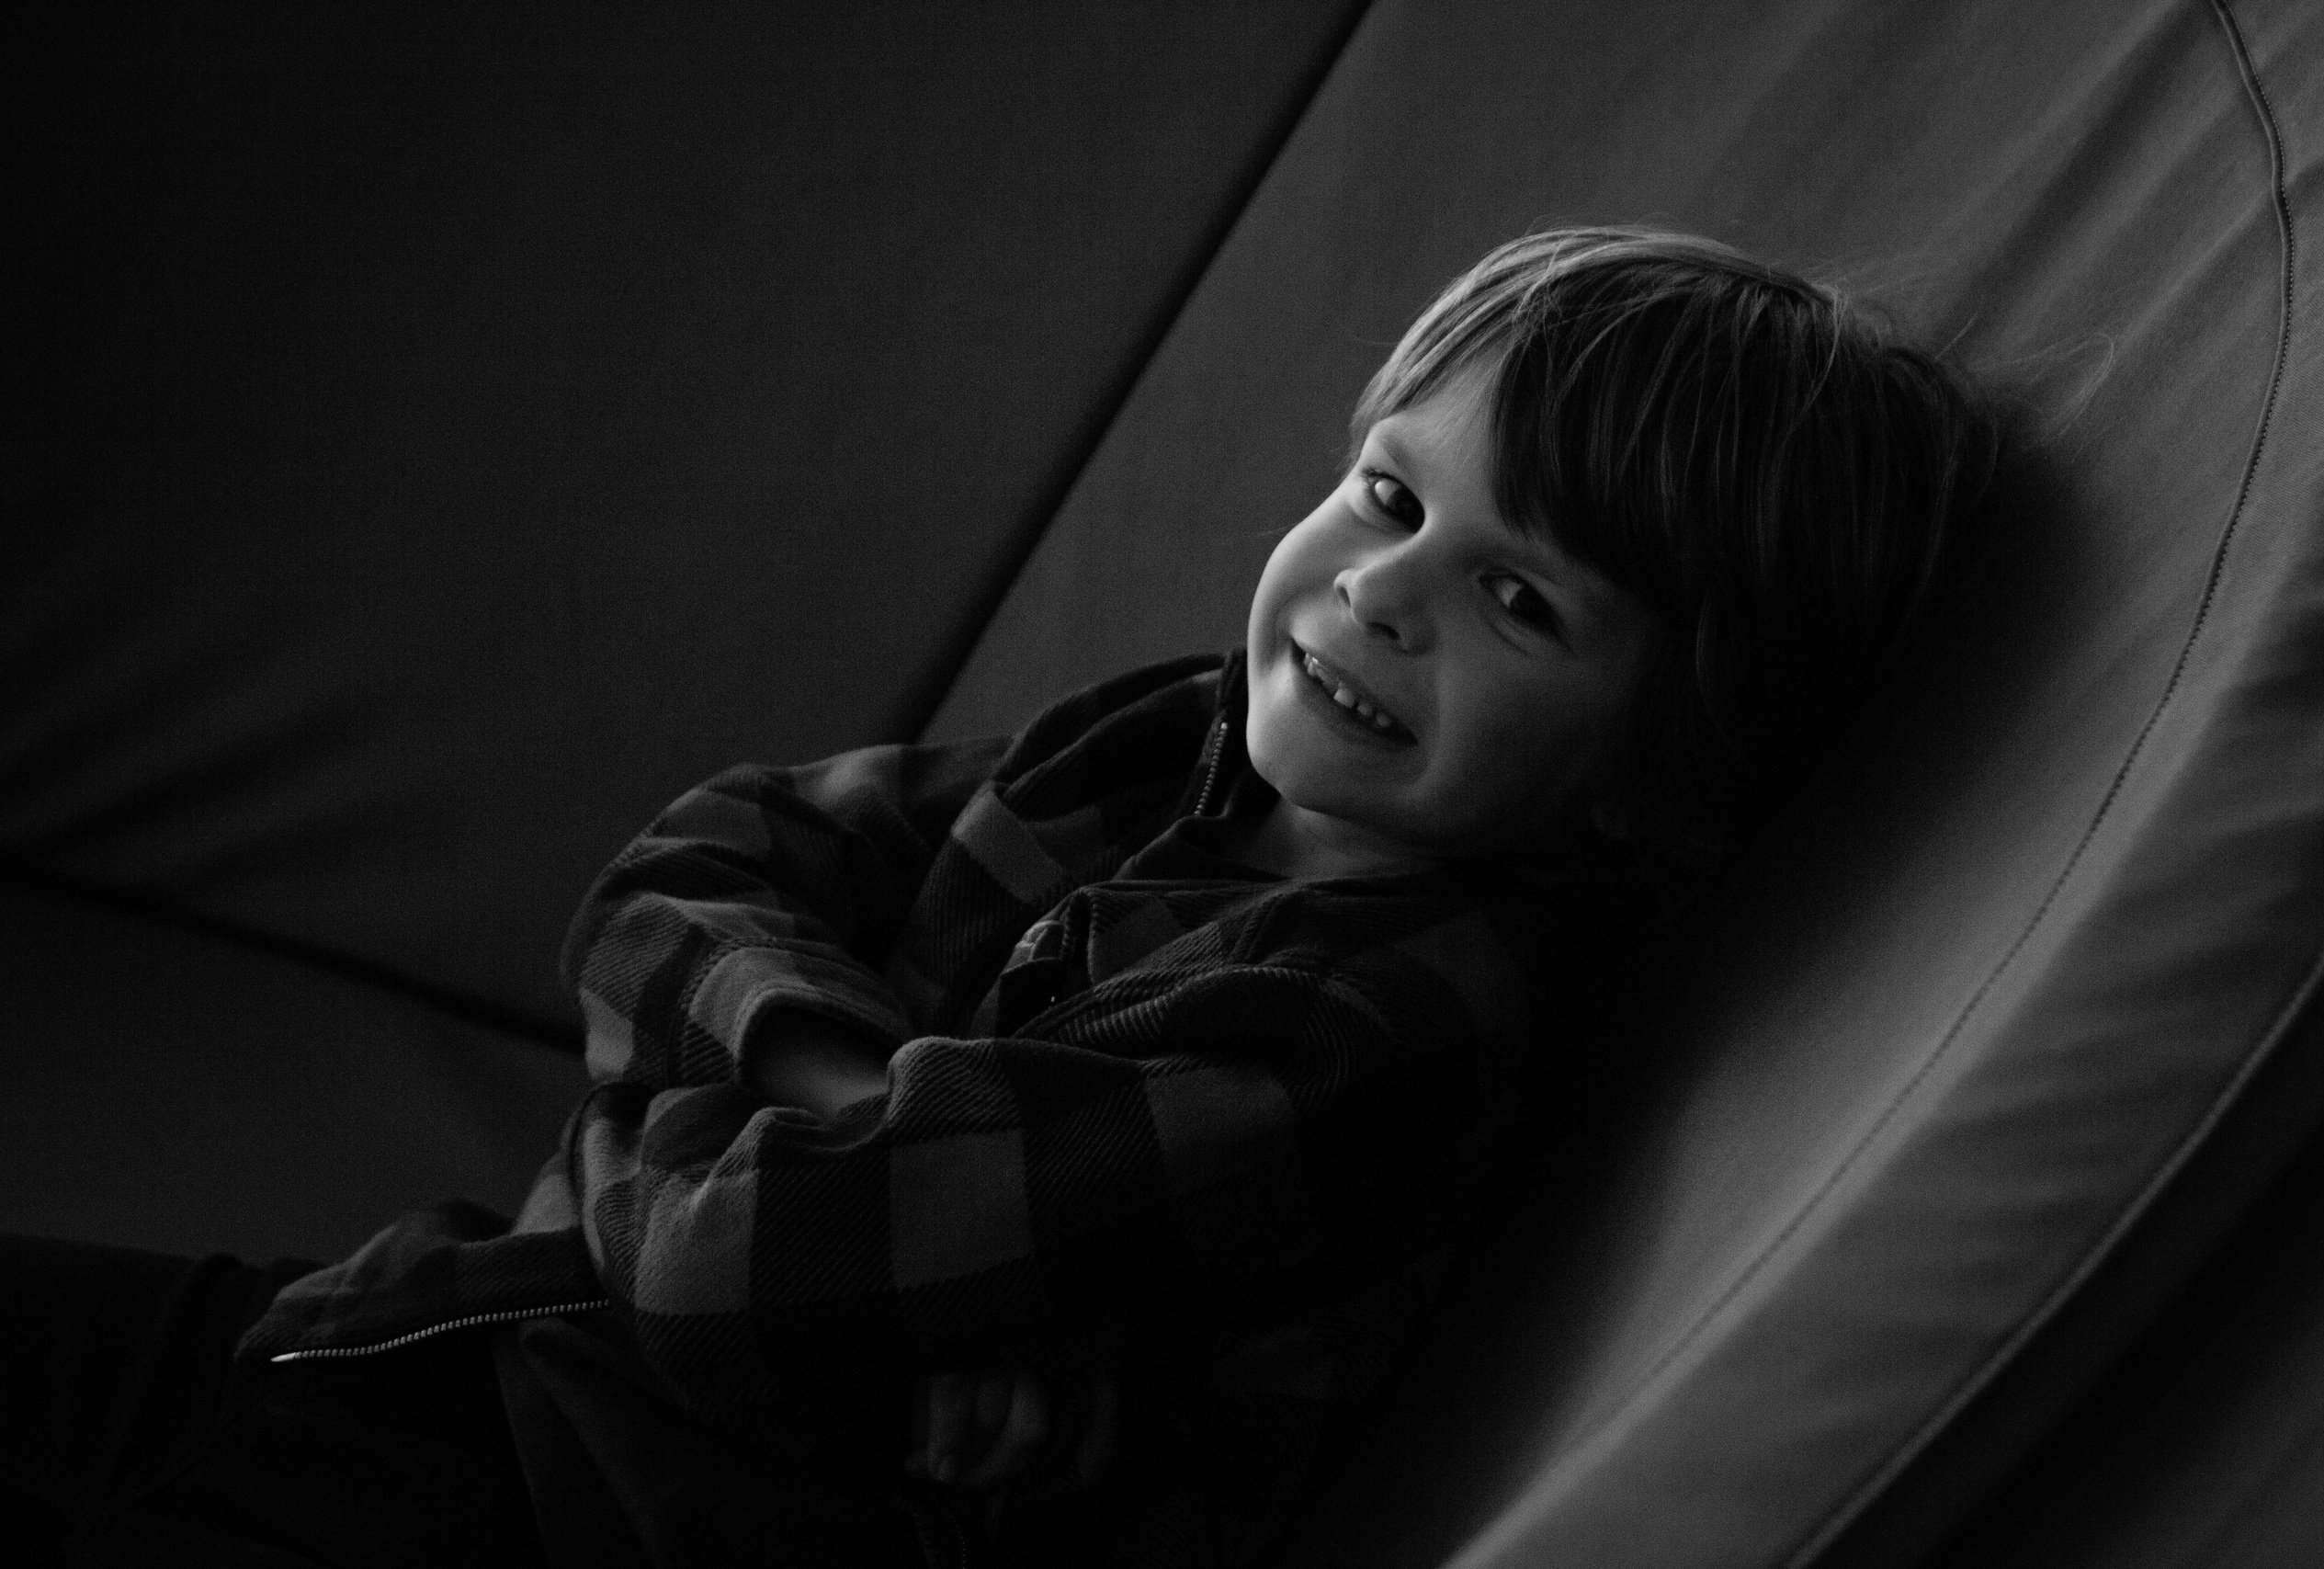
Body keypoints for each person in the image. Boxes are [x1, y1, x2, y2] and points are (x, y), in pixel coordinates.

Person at [4, 228, 2001, 1568]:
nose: (1378, 593)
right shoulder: (1163, 742)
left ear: (1660, 769)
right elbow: (687, 858)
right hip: (428, 1318)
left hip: (571, 1510)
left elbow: (722, 1269)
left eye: (1517, 599)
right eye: (1391, 497)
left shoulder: (1365, 1027)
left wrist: (712, 1108)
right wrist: (846, 1079)